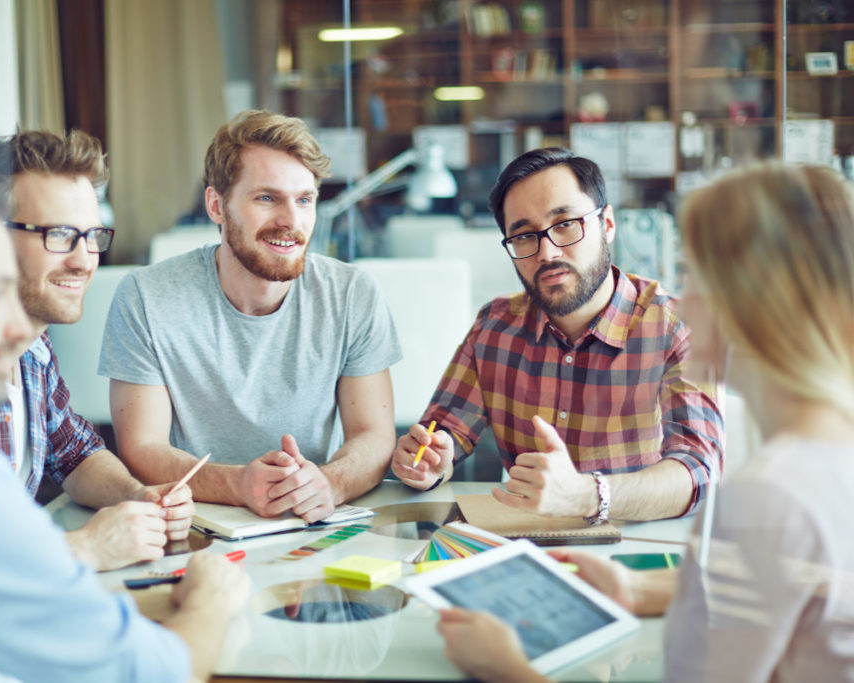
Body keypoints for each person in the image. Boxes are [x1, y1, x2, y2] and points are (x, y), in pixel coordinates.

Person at [434, 162, 854, 681]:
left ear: (761, 302)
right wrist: (635, 590)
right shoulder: (822, 465)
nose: (686, 299)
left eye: (698, 275)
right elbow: (788, 588)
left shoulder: (770, 497)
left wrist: (506, 669)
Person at [0, 166, 248, 681]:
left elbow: (72, 448)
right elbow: (158, 672)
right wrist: (213, 598)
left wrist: (136, 495)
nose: (14, 329)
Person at [99, 109, 401, 523]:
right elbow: (141, 448)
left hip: (307, 521)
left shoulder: (352, 294)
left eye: (304, 200)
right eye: (266, 198)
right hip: (194, 523)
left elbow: (373, 435)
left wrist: (331, 483)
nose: (291, 221)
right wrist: (237, 484)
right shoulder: (146, 296)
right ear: (216, 205)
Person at [392, 147, 723, 522]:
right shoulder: (495, 327)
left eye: (565, 224)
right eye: (524, 236)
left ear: (607, 224)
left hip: (635, 548)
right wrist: (430, 460)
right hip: (528, 546)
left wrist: (587, 495)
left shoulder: (677, 327)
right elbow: (446, 432)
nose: (547, 252)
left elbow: (699, 471)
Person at [0, 129, 194, 572]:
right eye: (61, 235)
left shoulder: (32, 350)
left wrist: (138, 496)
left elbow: (76, 453)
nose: (85, 260)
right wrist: (85, 549)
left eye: (92, 235)